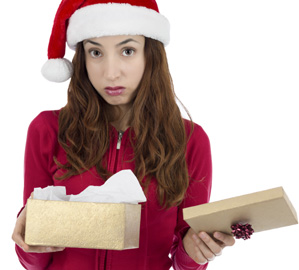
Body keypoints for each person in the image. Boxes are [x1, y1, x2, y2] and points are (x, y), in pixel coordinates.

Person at [12, 0, 235, 269]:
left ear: (150, 54)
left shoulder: (190, 141)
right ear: (82, 58)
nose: (110, 73)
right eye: (96, 52)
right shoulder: (47, 130)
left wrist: (194, 251)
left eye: (127, 51)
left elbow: (183, 259)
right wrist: (29, 242)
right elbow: (34, 262)